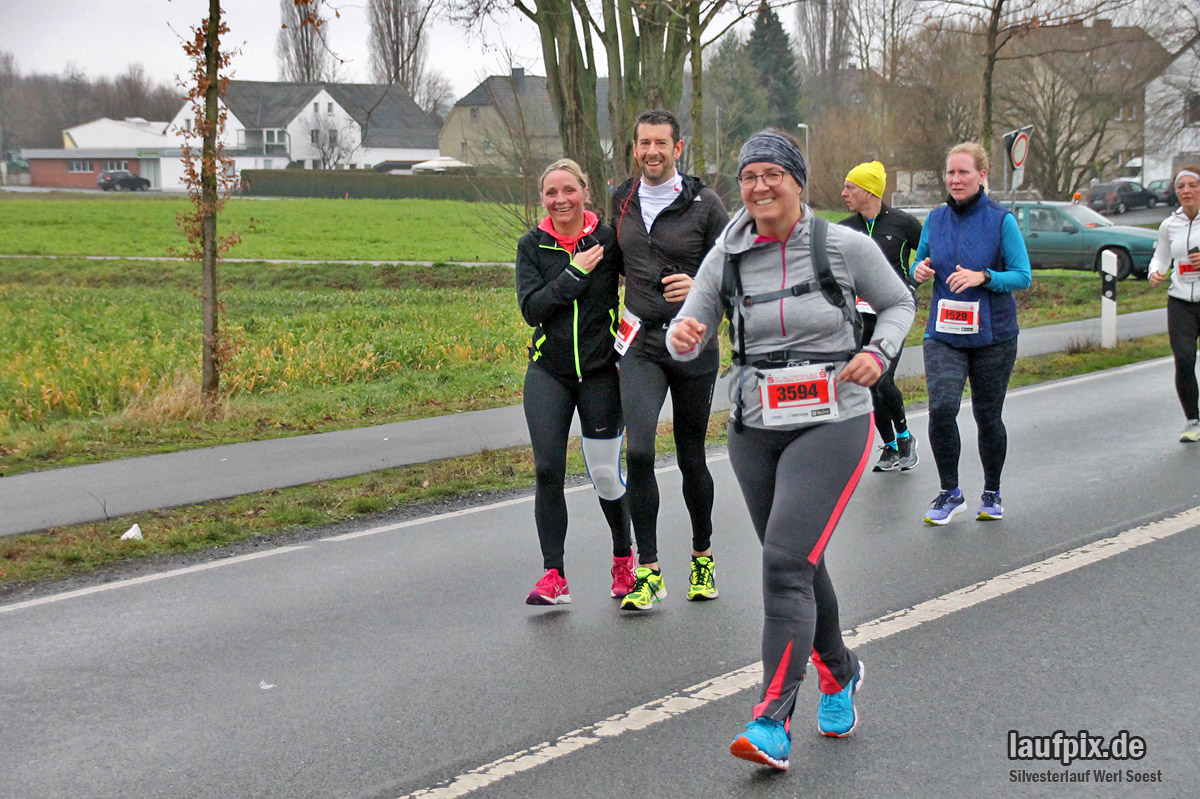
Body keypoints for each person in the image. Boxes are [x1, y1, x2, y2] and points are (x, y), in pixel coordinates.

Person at [667, 131, 915, 770]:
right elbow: (685, 328)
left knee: (783, 564)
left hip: (833, 418)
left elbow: (897, 303)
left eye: (773, 174)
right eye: (749, 176)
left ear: (797, 182)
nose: (759, 187)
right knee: (797, 562)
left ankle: (770, 720)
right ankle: (840, 671)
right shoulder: (728, 251)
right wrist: (685, 335)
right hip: (755, 423)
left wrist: (875, 354)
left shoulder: (841, 244)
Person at [609, 109, 730, 610]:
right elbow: (610, 262)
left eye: (661, 143)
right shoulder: (623, 198)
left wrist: (699, 285)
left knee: (690, 456)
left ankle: (702, 556)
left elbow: (735, 268)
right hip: (638, 342)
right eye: (644, 143)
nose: (652, 152)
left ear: (678, 148)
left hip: (692, 342)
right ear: (635, 148)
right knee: (637, 453)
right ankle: (650, 570)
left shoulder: (705, 203)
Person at [515, 158, 633, 605]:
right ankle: (553, 575)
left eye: (569, 190)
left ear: (585, 191)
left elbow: (639, 283)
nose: (560, 199)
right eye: (551, 193)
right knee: (548, 470)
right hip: (549, 373)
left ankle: (624, 559)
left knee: (605, 473)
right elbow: (532, 308)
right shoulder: (533, 246)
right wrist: (575, 272)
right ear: (542, 198)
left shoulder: (608, 238)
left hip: (601, 373)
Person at [910, 142, 1032, 525]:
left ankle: (992, 491)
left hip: (993, 335)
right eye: (950, 173)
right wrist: (919, 270)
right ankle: (950, 492)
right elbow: (920, 259)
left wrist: (985, 276)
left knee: (987, 416)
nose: (956, 179)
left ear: (982, 176)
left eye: (964, 172)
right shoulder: (936, 218)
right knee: (942, 409)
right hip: (944, 331)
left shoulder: (1000, 220)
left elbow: (1023, 275)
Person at [839, 160, 924, 472]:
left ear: (869, 191)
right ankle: (889, 446)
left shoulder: (902, 223)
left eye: (850, 187)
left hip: (893, 314)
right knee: (866, 383)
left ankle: (905, 438)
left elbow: (931, 252)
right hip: (860, 317)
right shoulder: (845, 229)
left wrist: (915, 276)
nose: (844, 192)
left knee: (883, 378)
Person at [1147, 165, 1200, 441]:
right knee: (1184, 359)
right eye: (1181, 187)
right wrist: (1155, 272)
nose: (1187, 191)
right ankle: (1193, 421)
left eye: (1193, 185)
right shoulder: (1169, 225)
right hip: (1180, 301)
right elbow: (1161, 256)